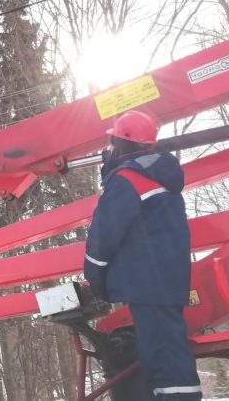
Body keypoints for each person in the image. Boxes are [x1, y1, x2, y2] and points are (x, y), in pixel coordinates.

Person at [84, 110, 201, 401]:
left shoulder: (128, 179)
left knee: (164, 360)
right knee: (168, 354)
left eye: (113, 142)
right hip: (167, 281)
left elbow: (104, 232)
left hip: (147, 283)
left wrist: (94, 276)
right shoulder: (160, 176)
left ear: (122, 143)